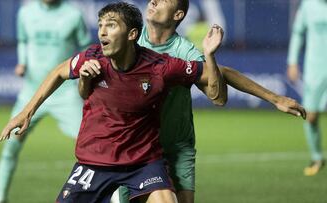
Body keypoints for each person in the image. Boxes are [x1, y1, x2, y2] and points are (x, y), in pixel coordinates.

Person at [0, 2, 230, 202]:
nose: (102, 32)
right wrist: (26, 112)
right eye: (100, 25)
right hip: (95, 162)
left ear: (132, 34)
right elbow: (59, 71)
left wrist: (209, 55)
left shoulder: (160, 66)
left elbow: (217, 89)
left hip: (143, 164)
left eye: (111, 25)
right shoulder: (92, 58)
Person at [86, 0, 307, 203]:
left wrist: (275, 98)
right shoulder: (129, 40)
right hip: (133, 149)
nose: (153, 1)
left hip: (176, 147)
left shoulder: (186, 52)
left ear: (178, 14)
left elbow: (219, 93)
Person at [0, 0, 91, 202]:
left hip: (65, 93)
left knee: (91, 145)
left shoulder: (73, 15)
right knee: (11, 144)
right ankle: (0, 196)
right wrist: (22, 62)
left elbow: (86, 46)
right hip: (31, 91)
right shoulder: (26, 13)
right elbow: (23, 40)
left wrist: (84, 73)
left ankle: (109, 194)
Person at [287, 0, 327, 176]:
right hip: (315, 69)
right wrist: (292, 61)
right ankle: (317, 158)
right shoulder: (308, 5)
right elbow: (297, 33)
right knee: (311, 117)